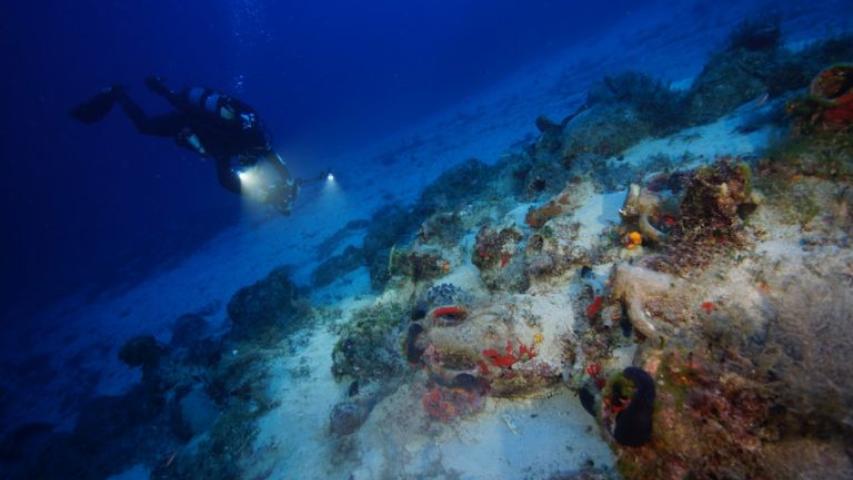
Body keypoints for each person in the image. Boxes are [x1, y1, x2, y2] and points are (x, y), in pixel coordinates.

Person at [71, 76, 304, 214]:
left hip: (195, 117)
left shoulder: (255, 140)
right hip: (187, 123)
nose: (245, 163)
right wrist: (268, 196)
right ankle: (118, 94)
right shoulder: (233, 143)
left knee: (171, 109)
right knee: (145, 126)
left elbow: (273, 158)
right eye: (248, 160)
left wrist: (287, 180)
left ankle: (158, 89)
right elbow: (226, 180)